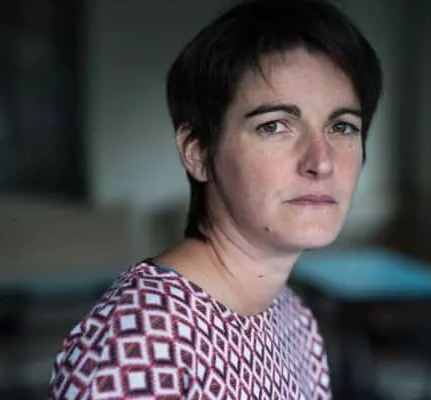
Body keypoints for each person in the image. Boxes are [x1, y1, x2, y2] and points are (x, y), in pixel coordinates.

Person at [48, 0, 382, 398]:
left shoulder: (294, 318)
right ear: (198, 153)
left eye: (342, 127)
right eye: (275, 125)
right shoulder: (140, 341)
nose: (321, 162)